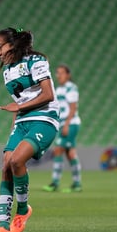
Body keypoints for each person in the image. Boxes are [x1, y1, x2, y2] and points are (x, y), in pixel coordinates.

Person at [0, 28, 59, 232]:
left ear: (13, 45)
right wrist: (13, 130)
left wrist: (18, 107)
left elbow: (48, 94)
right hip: (22, 121)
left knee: (17, 161)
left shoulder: (35, 61)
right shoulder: (7, 69)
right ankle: (3, 226)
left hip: (44, 119)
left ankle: (23, 210)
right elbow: (19, 104)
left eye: (0, 47)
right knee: (7, 163)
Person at [43, 65, 82, 193]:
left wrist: (66, 124)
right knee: (70, 153)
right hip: (64, 123)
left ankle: (55, 182)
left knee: (58, 150)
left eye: (61, 73)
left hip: (70, 124)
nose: (58, 75)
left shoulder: (71, 88)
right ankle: (77, 183)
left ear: (68, 75)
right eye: (57, 73)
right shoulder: (59, 89)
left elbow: (73, 108)